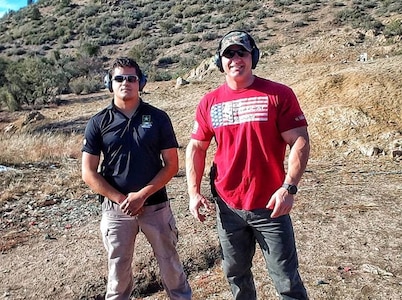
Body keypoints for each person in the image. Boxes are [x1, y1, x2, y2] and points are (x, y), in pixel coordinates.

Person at [185, 31, 310, 299]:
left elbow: (299, 141)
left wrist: (289, 187)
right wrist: (194, 193)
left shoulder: (278, 94)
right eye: (228, 54)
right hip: (228, 206)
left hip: (270, 205)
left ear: (253, 56)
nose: (235, 59)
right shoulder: (209, 102)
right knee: (235, 274)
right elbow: (196, 146)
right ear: (220, 61)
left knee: (286, 280)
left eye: (241, 52)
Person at [82, 57, 192, 300]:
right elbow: (88, 173)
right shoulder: (98, 122)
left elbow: (171, 165)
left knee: (171, 268)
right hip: (116, 210)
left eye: (132, 78)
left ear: (141, 82)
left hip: (156, 206)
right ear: (109, 83)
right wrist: (122, 199)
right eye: (119, 78)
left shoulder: (158, 117)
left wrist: (142, 195)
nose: (126, 83)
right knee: (118, 277)